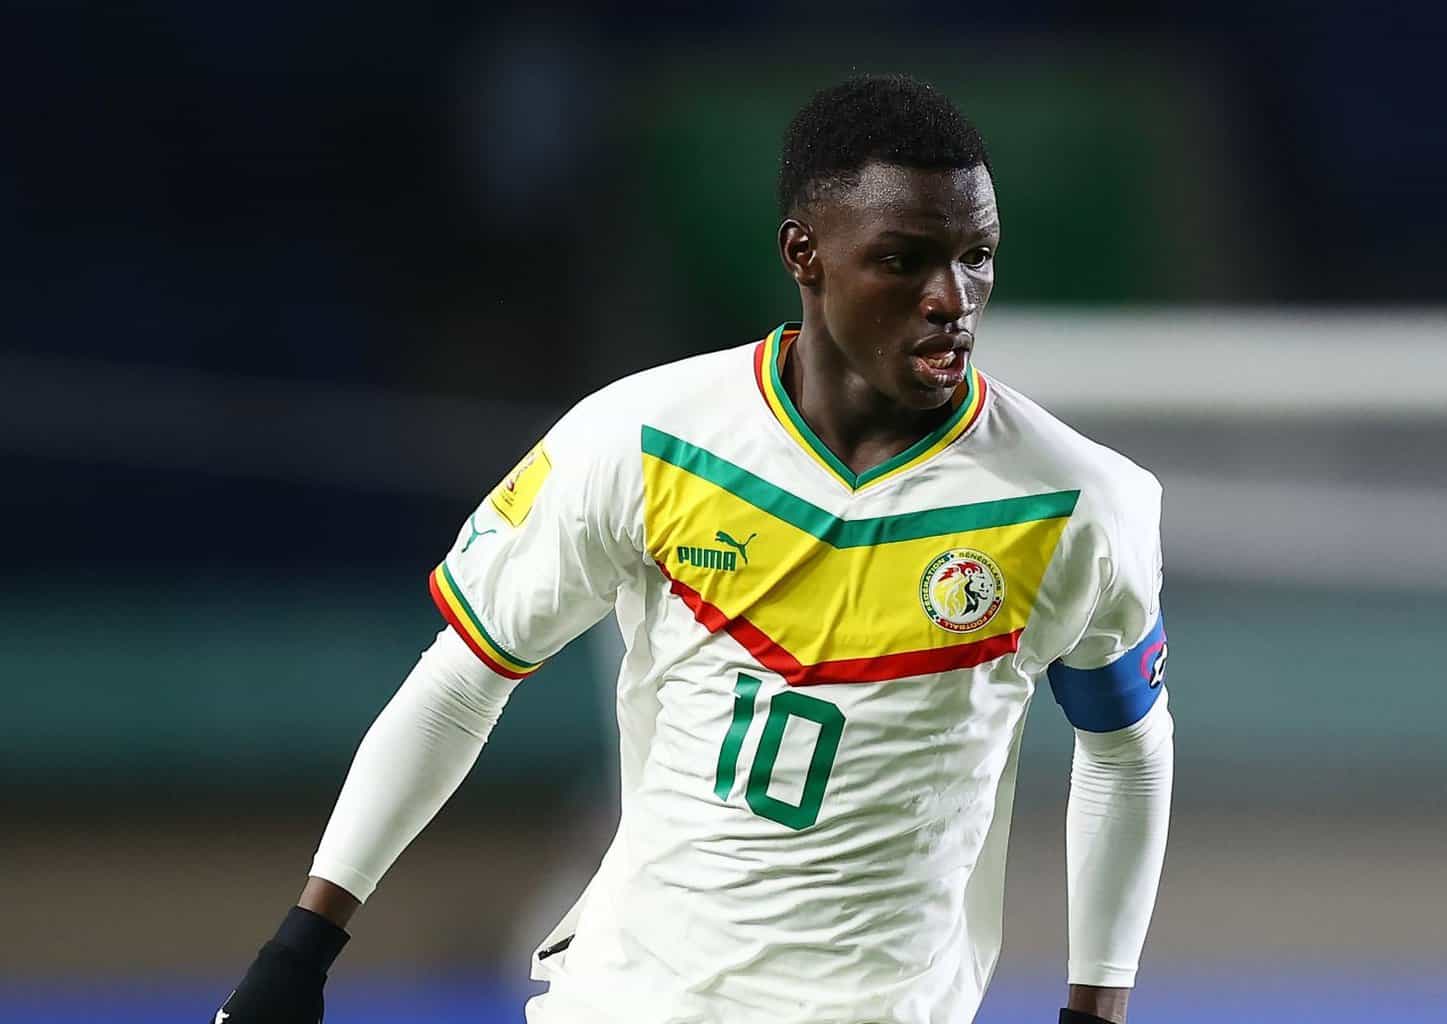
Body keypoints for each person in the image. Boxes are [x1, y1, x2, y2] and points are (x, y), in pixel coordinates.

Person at [214, 73, 1173, 1024]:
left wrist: (1095, 1011)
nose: (950, 298)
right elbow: (462, 682)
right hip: (629, 1000)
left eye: (976, 257)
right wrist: (300, 950)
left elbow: (1126, 755)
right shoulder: (645, 438)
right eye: (903, 260)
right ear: (803, 254)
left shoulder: (1076, 504)